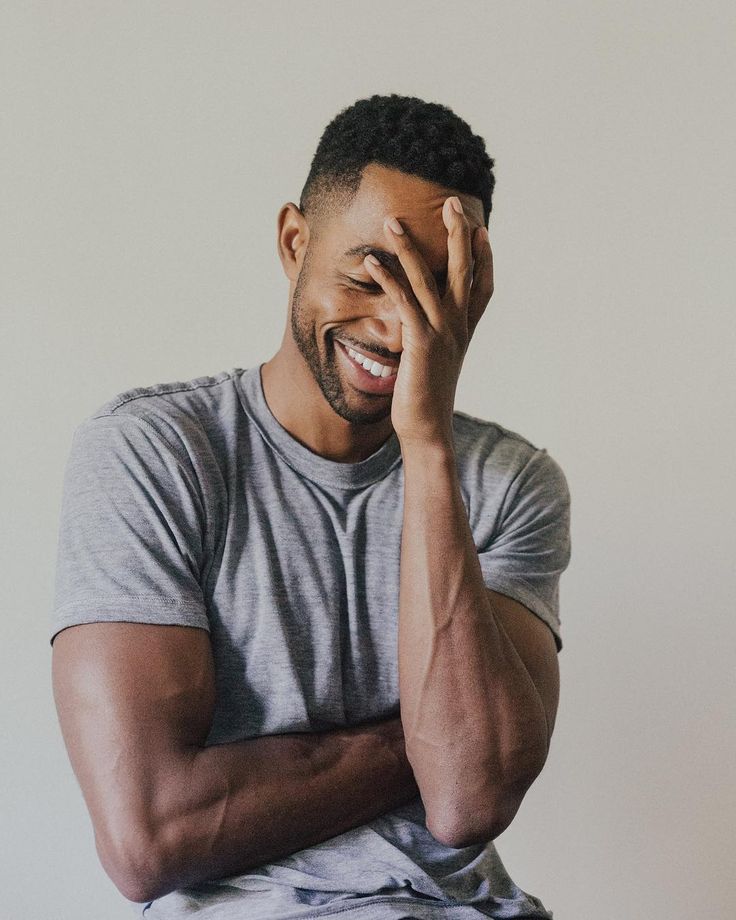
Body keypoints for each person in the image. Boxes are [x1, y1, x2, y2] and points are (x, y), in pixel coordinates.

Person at [50, 93, 572, 920]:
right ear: (295, 242)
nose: (401, 330)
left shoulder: (508, 482)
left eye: (436, 290)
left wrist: (428, 444)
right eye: (370, 275)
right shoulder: (154, 454)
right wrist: (423, 743)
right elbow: (147, 838)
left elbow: (469, 797)